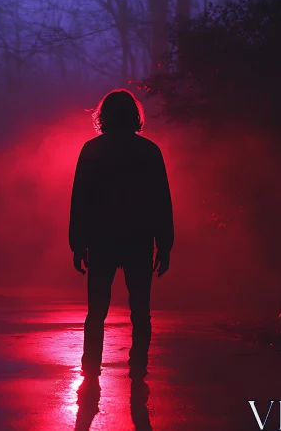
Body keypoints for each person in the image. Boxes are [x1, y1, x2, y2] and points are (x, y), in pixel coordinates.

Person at [69, 89, 174, 379]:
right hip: (139, 240)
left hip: (101, 240)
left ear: (103, 116)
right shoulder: (149, 151)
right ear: (134, 116)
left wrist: (78, 244)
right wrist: (165, 245)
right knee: (140, 310)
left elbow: (80, 200)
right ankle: (138, 362)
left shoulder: (92, 149)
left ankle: (91, 365)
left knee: (96, 310)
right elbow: (161, 201)